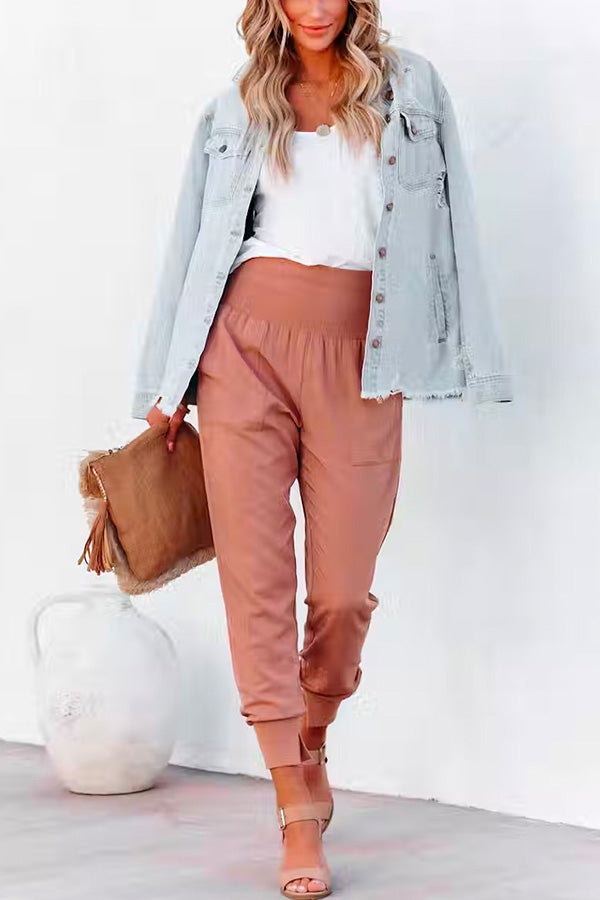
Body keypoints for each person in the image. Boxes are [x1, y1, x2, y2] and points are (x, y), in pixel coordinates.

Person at [135, 2, 513, 896]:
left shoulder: (412, 89)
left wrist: (476, 356)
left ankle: (312, 736)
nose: (313, 7)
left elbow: (455, 218)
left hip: (363, 356)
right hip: (242, 347)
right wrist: (166, 382)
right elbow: (190, 243)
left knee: (341, 592)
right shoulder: (236, 105)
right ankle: (293, 807)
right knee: (256, 580)